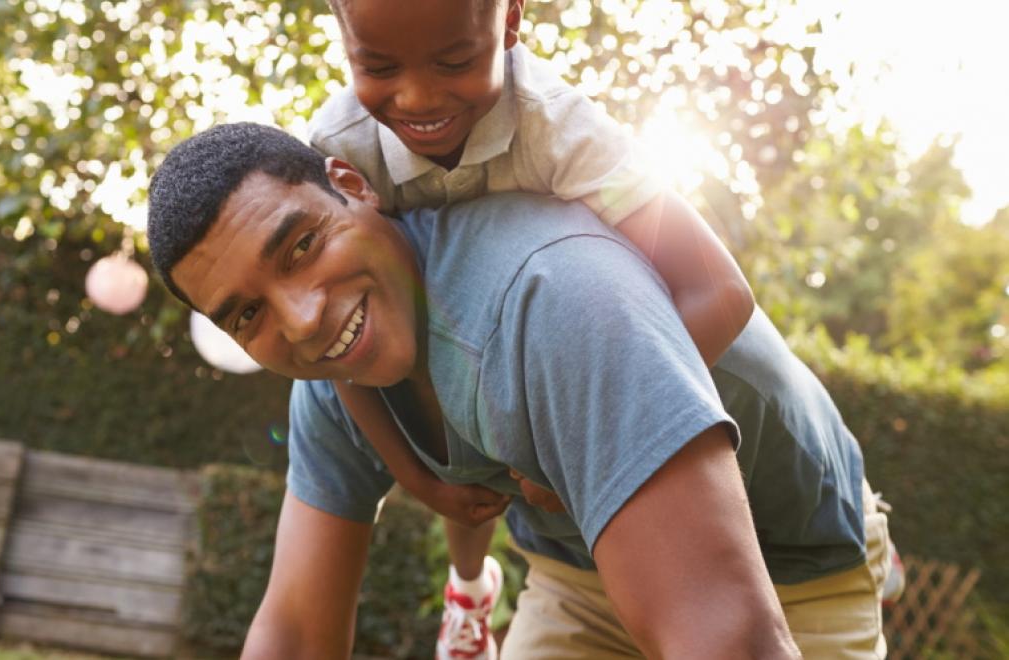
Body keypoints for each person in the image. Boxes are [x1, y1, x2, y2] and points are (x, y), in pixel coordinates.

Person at [145, 122, 893, 659]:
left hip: (795, 563)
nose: (303, 319)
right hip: (576, 575)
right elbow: (300, 634)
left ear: (351, 185)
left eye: (302, 244)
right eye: (248, 314)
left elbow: (728, 638)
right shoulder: (338, 381)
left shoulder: (548, 294)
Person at [309, 1, 756, 655]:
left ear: (511, 22)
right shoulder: (342, 144)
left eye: (455, 60)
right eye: (377, 66)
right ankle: (468, 591)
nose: (417, 95)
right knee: (461, 445)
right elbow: (338, 337)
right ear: (343, 40)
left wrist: (584, 438)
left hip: (552, 319)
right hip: (449, 322)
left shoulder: (562, 128)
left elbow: (718, 293)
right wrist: (417, 480)